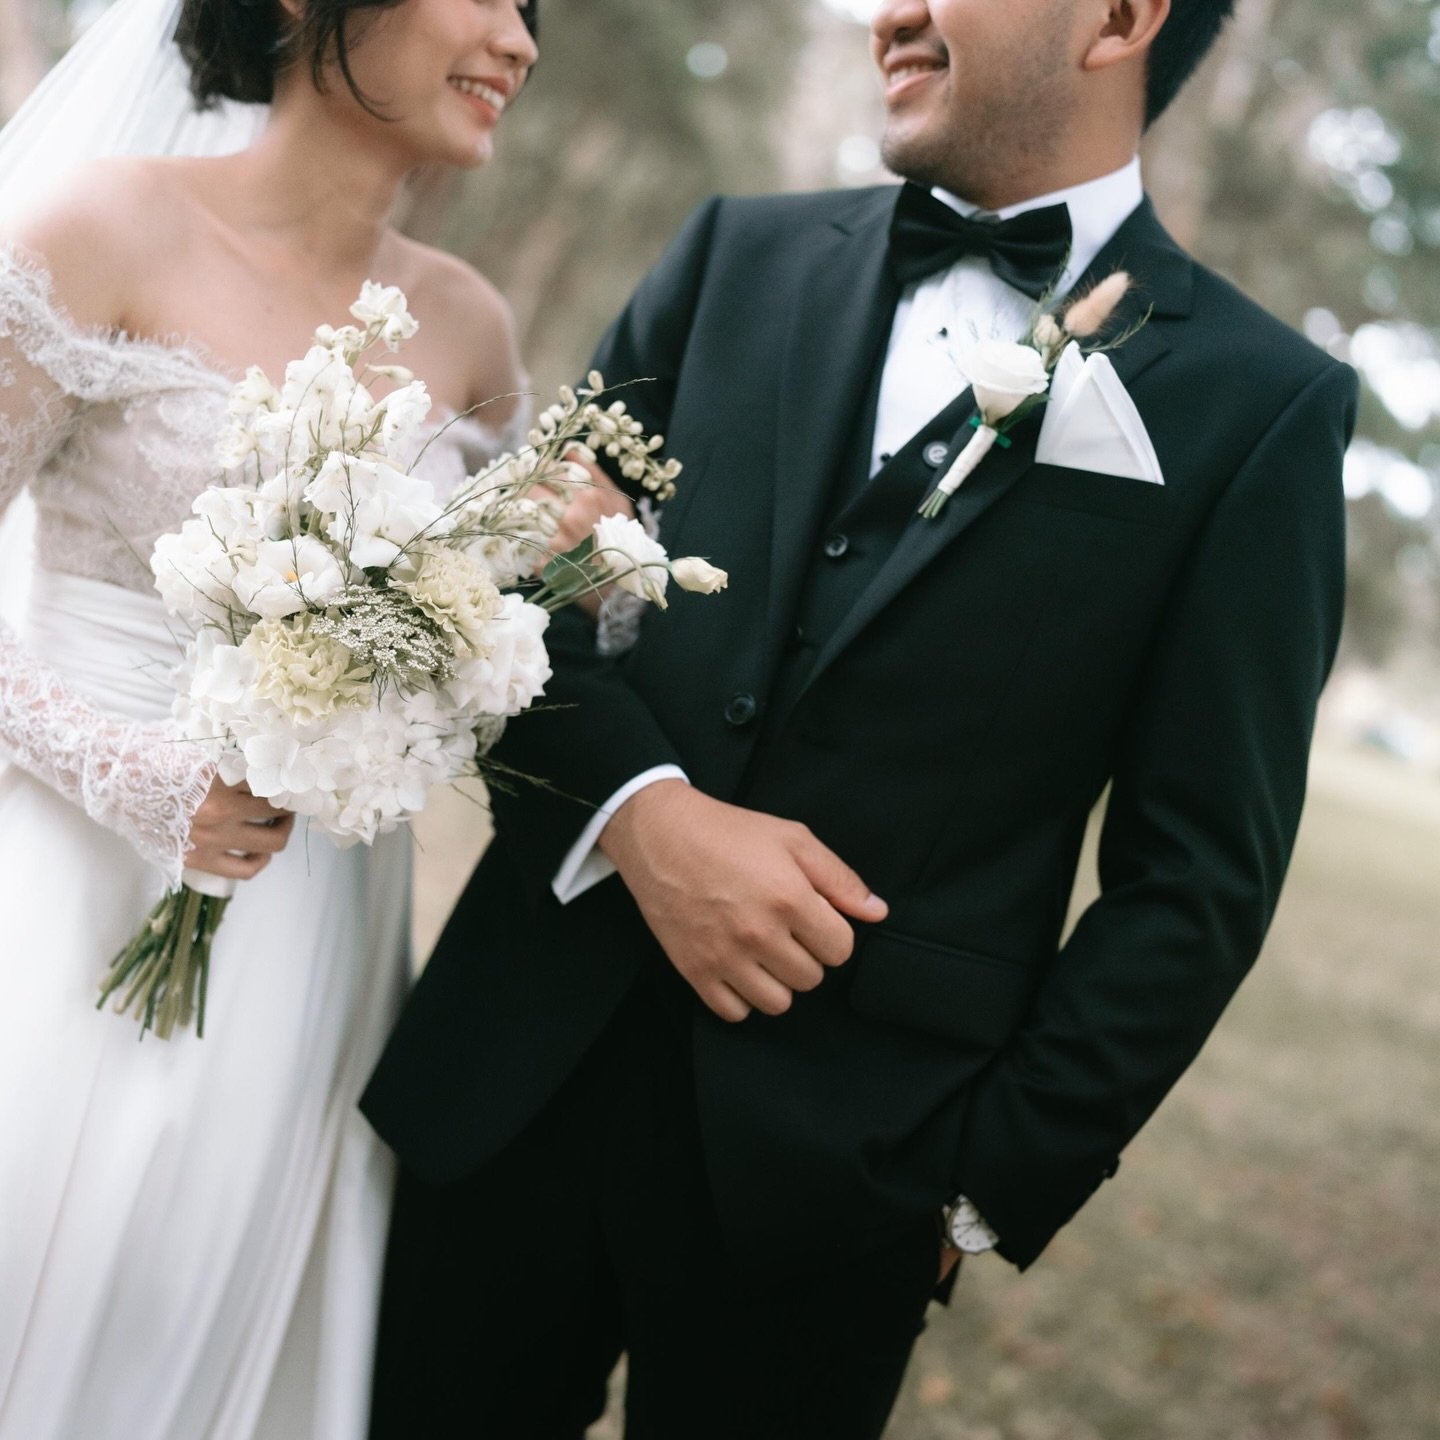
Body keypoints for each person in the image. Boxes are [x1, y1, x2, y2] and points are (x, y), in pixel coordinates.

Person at [363, 0, 1359, 1434]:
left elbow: (1199, 875)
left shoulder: (1259, 404)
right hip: (513, 1078)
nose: (889, 10)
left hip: (844, 1187)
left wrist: (977, 1186)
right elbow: (505, 587)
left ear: (1119, 20)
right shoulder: (731, 255)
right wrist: (645, 816)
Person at [0, 1, 537, 1435]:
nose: (520, 40)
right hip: (64, 881)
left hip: (314, 933)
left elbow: (485, 635)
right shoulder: (101, 229)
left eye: (531, 10)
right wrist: (121, 770)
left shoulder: (472, 330)